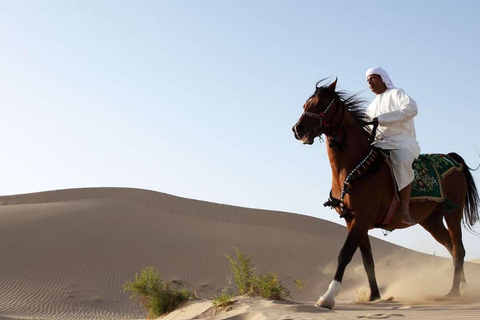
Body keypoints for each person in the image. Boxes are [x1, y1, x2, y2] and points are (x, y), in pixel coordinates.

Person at [365, 67, 420, 226]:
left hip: (402, 141)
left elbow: (412, 109)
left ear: (383, 78)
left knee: (402, 161)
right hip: (380, 144)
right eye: (368, 80)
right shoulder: (371, 107)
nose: (370, 82)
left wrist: (382, 119)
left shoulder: (397, 94)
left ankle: (405, 211)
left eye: (373, 78)